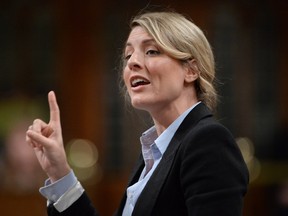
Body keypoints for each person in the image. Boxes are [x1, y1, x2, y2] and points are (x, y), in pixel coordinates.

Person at [26, 10, 249, 216]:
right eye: (128, 55)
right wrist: (59, 172)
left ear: (190, 70)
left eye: (151, 51)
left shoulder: (207, 141)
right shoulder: (154, 153)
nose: (132, 62)